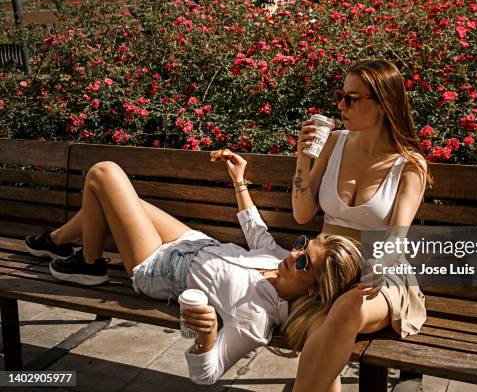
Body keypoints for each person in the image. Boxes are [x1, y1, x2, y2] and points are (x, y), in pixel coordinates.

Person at [24, 154, 363, 385]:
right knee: (115, 199)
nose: (295, 252)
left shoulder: (256, 318)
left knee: (105, 174)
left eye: (305, 260)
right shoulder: (277, 259)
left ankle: (88, 264)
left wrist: (205, 338)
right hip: (191, 241)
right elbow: (256, 232)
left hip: (158, 267)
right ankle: (54, 240)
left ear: (315, 289)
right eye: (304, 244)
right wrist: (239, 180)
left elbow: (207, 375)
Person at [291, 59, 430, 391]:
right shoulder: (334, 142)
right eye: (341, 96)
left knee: (346, 309)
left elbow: (396, 238)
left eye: (353, 99)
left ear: (383, 104)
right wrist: (302, 157)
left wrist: (374, 265)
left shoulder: (409, 165)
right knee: (318, 334)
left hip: (377, 274)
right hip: (327, 272)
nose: (341, 105)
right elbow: (302, 214)